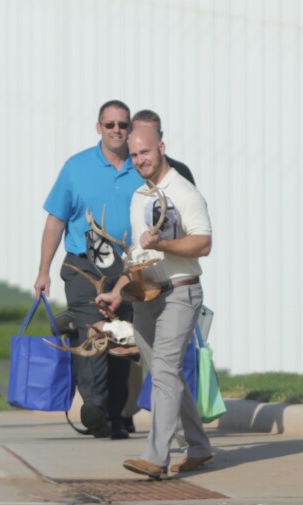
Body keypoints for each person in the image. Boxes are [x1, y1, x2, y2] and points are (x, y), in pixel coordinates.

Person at [95, 126, 214, 479]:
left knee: (163, 372)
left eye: (145, 152)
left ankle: (156, 457)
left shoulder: (183, 192)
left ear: (161, 148)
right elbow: (138, 255)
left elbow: (203, 244)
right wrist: (118, 291)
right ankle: (199, 444)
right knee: (166, 373)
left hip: (180, 291)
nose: (140, 160)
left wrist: (163, 245)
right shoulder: (139, 196)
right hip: (146, 295)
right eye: (134, 155)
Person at [34, 100, 145, 440]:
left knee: (124, 340)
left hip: (130, 270)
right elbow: (56, 221)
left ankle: (117, 413)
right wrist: (43, 271)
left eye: (122, 125)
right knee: (94, 333)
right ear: (98, 127)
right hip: (83, 268)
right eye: (109, 124)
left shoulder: (142, 166)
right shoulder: (76, 168)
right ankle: (95, 407)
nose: (116, 130)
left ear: (130, 129)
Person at [131, 109, 196, 186]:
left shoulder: (180, 171)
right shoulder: (118, 168)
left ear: (161, 135)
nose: (140, 161)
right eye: (139, 133)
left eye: (151, 133)